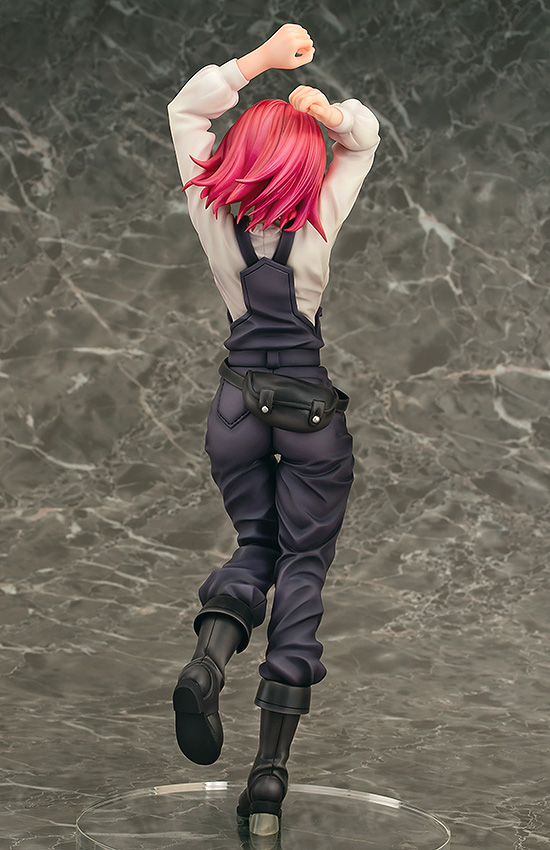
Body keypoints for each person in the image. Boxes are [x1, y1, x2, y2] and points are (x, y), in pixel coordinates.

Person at [167, 23, 380, 838]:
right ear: (304, 161)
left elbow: (187, 112)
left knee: (256, 548)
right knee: (303, 570)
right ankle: (267, 779)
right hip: (309, 413)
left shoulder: (209, 206)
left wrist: (255, 62)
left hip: (235, 409)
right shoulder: (319, 211)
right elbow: (366, 139)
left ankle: (207, 663)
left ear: (240, 154)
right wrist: (328, 114)